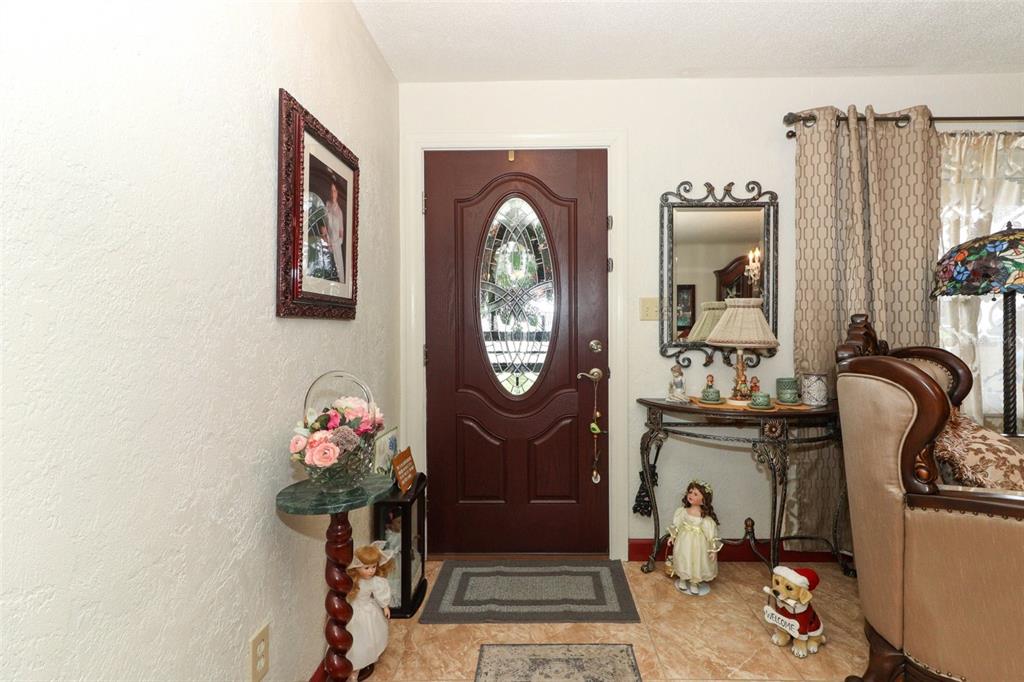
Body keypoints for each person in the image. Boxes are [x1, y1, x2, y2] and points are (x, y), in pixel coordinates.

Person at [345, 541, 394, 681]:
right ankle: (353, 665)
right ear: (357, 567)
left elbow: (380, 593)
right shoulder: (353, 581)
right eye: (366, 568)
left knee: (368, 636)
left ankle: (360, 664)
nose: (371, 571)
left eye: (374, 566)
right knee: (355, 638)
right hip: (353, 611)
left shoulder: (375, 581)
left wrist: (385, 606)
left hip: (368, 610)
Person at [666, 479, 723, 596]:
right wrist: (672, 536)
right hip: (684, 541)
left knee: (697, 560)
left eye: (695, 494)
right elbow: (677, 524)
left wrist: (713, 550)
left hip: (698, 544)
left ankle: (694, 582)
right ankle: (683, 578)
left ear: (703, 500)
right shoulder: (682, 511)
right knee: (683, 557)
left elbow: (710, 533)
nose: (691, 495)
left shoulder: (705, 518)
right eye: (690, 492)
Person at [326, 181, 346, 282]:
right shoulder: (327, 206)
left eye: (334, 191)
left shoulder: (340, 212)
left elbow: (341, 234)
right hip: (327, 243)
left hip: (336, 245)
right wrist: (327, 241)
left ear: (337, 193)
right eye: (331, 191)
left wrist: (336, 243)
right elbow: (324, 225)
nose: (332, 193)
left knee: (338, 272)